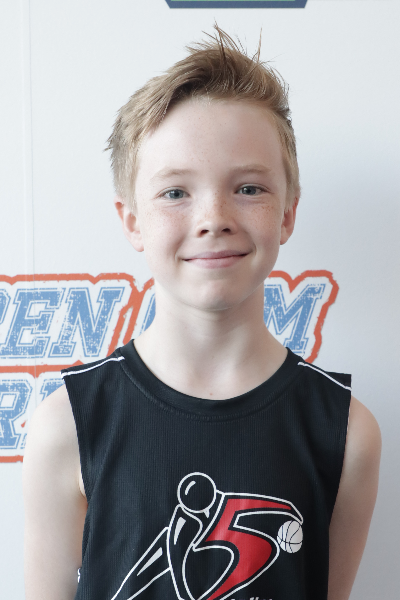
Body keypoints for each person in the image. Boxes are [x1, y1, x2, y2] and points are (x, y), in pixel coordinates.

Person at [22, 26, 381, 600]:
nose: (213, 218)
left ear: (288, 213)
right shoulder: (66, 424)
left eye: (249, 189)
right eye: (175, 193)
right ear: (132, 221)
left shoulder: (347, 432)